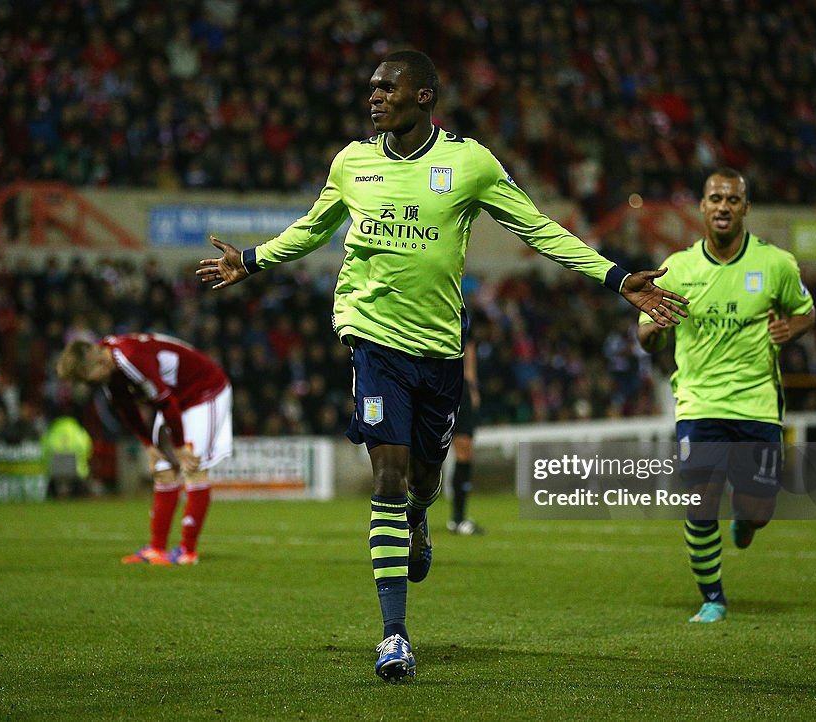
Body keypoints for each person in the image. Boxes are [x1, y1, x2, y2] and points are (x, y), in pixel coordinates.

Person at [197, 50, 688, 681]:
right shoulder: (352, 161)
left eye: (387, 87)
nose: (373, 96)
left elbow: (539, 230)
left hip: (439, 351)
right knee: (388, 476)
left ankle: (422, 516)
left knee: (422, 481)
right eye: (370, 88)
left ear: (423, 96)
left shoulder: (470, 163)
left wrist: (616, 278)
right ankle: (394, 635)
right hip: (373, 341)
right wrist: (253, 259)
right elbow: (315, 228)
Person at [637, 167, 815, 624]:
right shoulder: (677, 268)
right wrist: (654, 331)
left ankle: (748, 517)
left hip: (757, 400)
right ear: (702, 206)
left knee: (759, 509)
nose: (723, 207)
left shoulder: (776, 264)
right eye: (715, 199)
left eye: (732, 200)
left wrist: (789, 329)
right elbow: (645, 335)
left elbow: (805, 311)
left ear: (745, 209)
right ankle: (713, 597)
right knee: (699, 499)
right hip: (699, 400)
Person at [56, 332, 233, 566]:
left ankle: (187, 551)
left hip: (204, 391)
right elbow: (126, 408)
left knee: (192, 466)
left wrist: (180, 447)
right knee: (162, 468)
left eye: (88, 379)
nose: (90, 384)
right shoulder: (109, 363)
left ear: (99, 363)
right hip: (175, 397)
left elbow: (165, 402)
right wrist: (149, 446)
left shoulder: (130, 359)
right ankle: (156, 548)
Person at [447, 339, 482, 535]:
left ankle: (458, 518)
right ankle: (413, 517)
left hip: (459, 385)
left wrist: (471, 381)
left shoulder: (462, 308)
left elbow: (468, 342)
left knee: (465, 449)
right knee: (419, 454)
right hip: (430, 377)